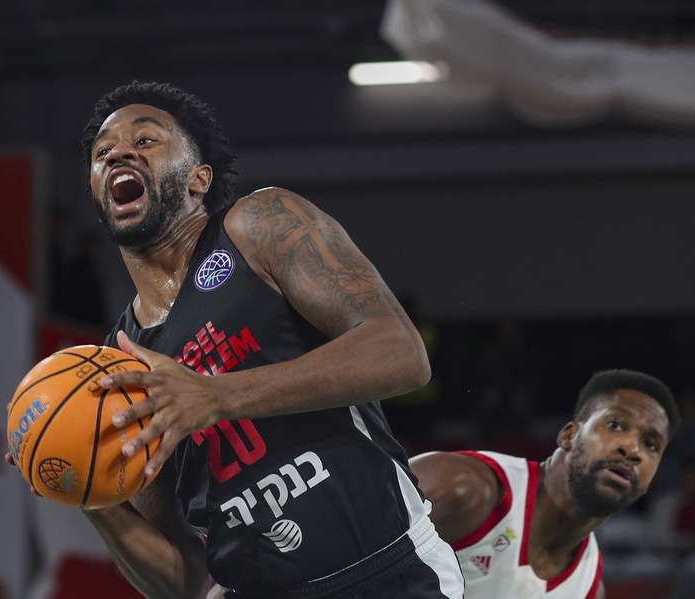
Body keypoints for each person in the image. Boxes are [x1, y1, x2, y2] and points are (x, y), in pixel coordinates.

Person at [72, 81, 464, 599]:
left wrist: (215, 396)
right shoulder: (120, 361)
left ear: (198, 178)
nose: (119, 151)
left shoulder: (258, 225)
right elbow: (186, 582)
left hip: (387, 574)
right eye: (104, 153)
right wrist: (90, 494)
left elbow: (401, 354)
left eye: (145, 140)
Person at [410, 369, 680, 599]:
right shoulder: (461, 488)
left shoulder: (587, 587)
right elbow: (367, 526)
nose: (632, 449)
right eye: (615, 425)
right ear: (569, 435)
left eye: (651, 444)